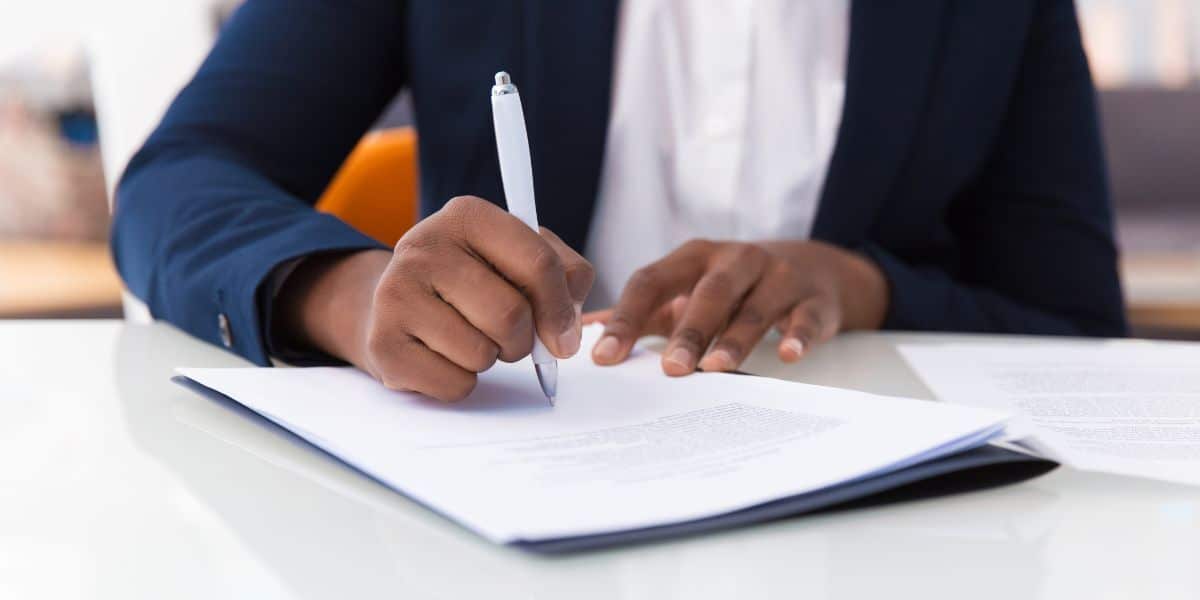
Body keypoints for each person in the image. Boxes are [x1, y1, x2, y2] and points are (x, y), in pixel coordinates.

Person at [112, 0, 1127, 402]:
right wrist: (350, 293)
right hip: (502, 508)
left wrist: (858, 284)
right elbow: (178, 179)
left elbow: (1076, 327)